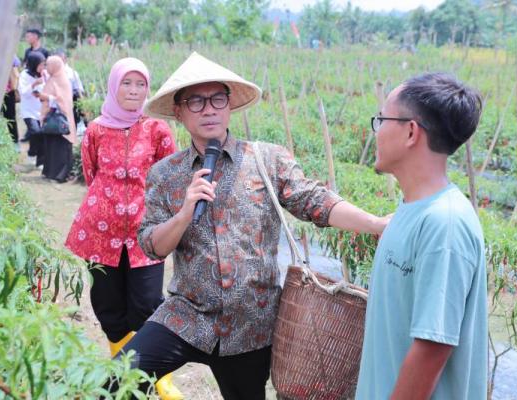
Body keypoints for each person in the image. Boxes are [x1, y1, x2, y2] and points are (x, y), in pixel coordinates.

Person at [119, 52, 389, 400]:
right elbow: (151, 245)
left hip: (251, 324)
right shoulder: (166, 174)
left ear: (229, 105)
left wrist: (374, 223)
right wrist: (184, 213)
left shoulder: (266, 159)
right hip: (188, 315)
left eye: (217, 98)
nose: (209, 109)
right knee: (116, 380)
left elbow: (313, 201)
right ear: (179, 112)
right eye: (196, 101)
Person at [355, 73, 486, 399]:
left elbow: (432, 346)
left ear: (411, 131)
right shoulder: (412, 209)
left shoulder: (445, 224)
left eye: (382, 119)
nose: (377, 131)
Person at [64, 58, 183, 399]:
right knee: (107, 302)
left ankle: (160, 376)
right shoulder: (97, 129)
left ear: (148, 88)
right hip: (100, 232)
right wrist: (109, 204)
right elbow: (91, 172)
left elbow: (169, 175)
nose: (133, 90)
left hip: (147, 232)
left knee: (147, 303)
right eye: (126, 83)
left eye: (140, 84)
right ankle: (122, 366)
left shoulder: (157, 129)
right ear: (114, 86)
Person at [38, 55, 76, 183]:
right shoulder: (53, 78)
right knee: (51, 147)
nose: (46, 67)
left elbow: (62, 101)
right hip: (52, 120)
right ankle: (50, 172)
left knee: (60, 149)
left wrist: (46, 97)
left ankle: (60, 174)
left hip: (60, 121)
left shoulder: (62, 80)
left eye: (48, 65)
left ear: (55, 66)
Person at [19, 51, 46, 167]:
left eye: (43, 64)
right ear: (34, 64)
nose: (42, 67)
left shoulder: (44, 75)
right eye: (40, 65)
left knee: (42, 134)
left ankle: (40, 161)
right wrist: (34, 84)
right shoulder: (24, 75)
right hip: (28, 111)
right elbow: (23, 92)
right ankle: (31, 155)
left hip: (42, 110)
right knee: (35, 131)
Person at [55, 49, 87, 129]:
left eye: (60, 59)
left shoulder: (72, 73)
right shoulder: (51, 72)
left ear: (65, 59)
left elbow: (79, 89)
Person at [1, 55, 21, 147]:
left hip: (7, 92)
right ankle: (14, 142)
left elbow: (16, 75)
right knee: (10, 117)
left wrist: (14, 88)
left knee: (10, 117)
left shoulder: (10, 56)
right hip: (4, 91)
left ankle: (15, 142)